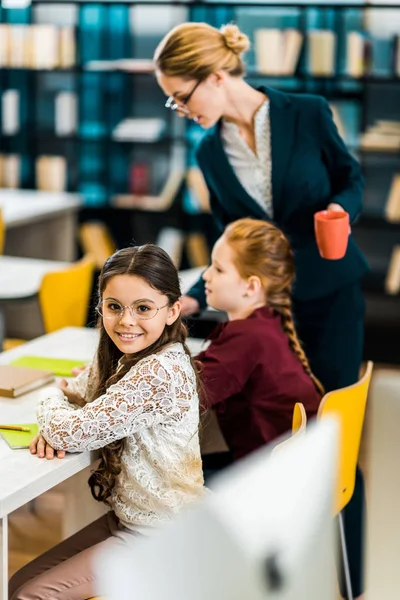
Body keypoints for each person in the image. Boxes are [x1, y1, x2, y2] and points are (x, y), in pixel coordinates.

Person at [154, 22, 368, 599]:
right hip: (269, 307)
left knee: (332, 434)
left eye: (181, 94)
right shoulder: (208, 151)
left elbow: (351, 178)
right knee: (276, 436)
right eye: (170, 98)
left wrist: (339, 214)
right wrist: (190, 297)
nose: (178, 108)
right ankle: (279, 571)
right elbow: (233, 237)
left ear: (217, 77)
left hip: (330, 296)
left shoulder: (307, 110)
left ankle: (350, 579)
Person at [9, 245, 204, 600]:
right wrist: (62, 411)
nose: (126, 321)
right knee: (13, 585)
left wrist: (49, 396)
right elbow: (81, 392)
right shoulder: (128, 355)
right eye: (114, 307)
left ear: (173, 310)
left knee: (30, 595)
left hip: (161, 535)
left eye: (143, 308)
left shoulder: (159, 370)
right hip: (129, 522)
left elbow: (67, 425)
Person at [197, 217, 322, 462]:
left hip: (268, 479)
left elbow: (182, 393)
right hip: (300, 471)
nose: (206, 275)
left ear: (251, 286)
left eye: (218, 269)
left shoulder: (247, 338)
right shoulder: (267, 322)